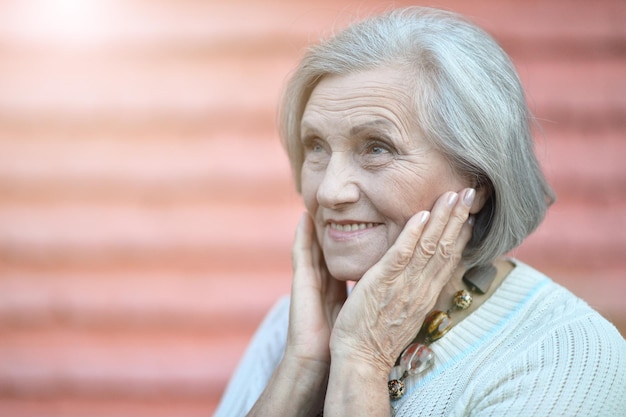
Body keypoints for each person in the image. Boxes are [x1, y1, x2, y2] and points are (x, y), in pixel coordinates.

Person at [214, 7, 626, 417]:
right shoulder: (295, 328)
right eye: (317, 147)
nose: (328, 191)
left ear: (477, 182)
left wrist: (361, 362)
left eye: (377, 147)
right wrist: (303, 369)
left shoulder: (566, 357)